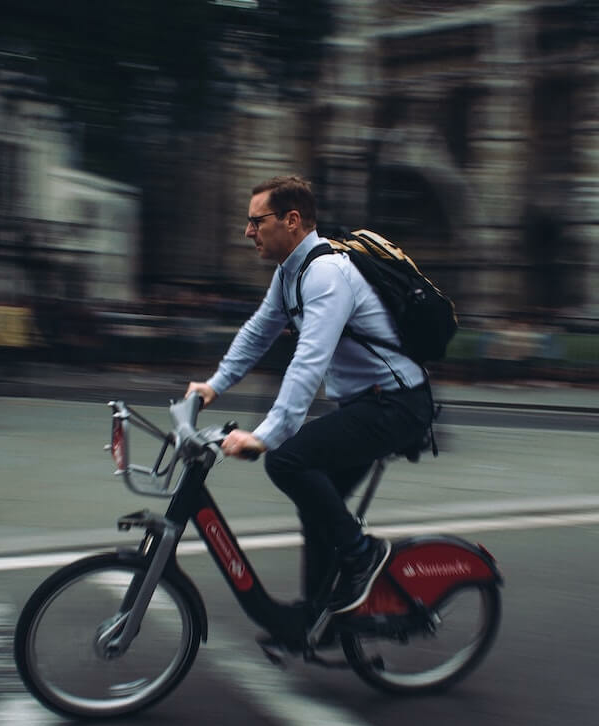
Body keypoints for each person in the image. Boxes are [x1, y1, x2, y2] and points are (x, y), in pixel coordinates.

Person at [186, 176, 434, 642]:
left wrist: (268, 434)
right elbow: (258, 334)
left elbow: (309, 361)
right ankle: (319, 620)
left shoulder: (326, 274)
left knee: (286, 459)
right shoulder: (290, 274)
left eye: (256, 220)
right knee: (316, 504)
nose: (247, 231)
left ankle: (362, 555)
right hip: (370, 405)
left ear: (292, 221)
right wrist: (213, 387)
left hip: (398, 404)